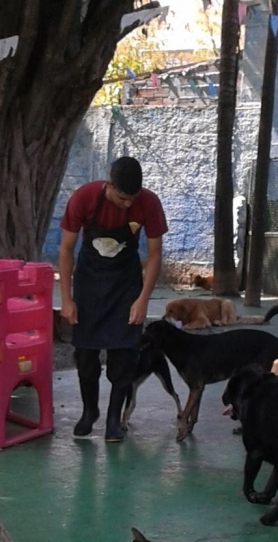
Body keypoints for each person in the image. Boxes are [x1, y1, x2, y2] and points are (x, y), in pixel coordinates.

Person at [58, 156, 168, 443]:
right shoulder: (84, 198)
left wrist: (143, 299)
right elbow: (67, 250)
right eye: (121, 198)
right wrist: (66, 299)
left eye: (133, 198)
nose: (127, 204)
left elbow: (155, 255)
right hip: (89, 283)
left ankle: (112, 419)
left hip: (125, 285)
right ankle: (89, 411)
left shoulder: (149, 203)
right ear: (109, 184)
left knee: (124, 353)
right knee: (85, 353)